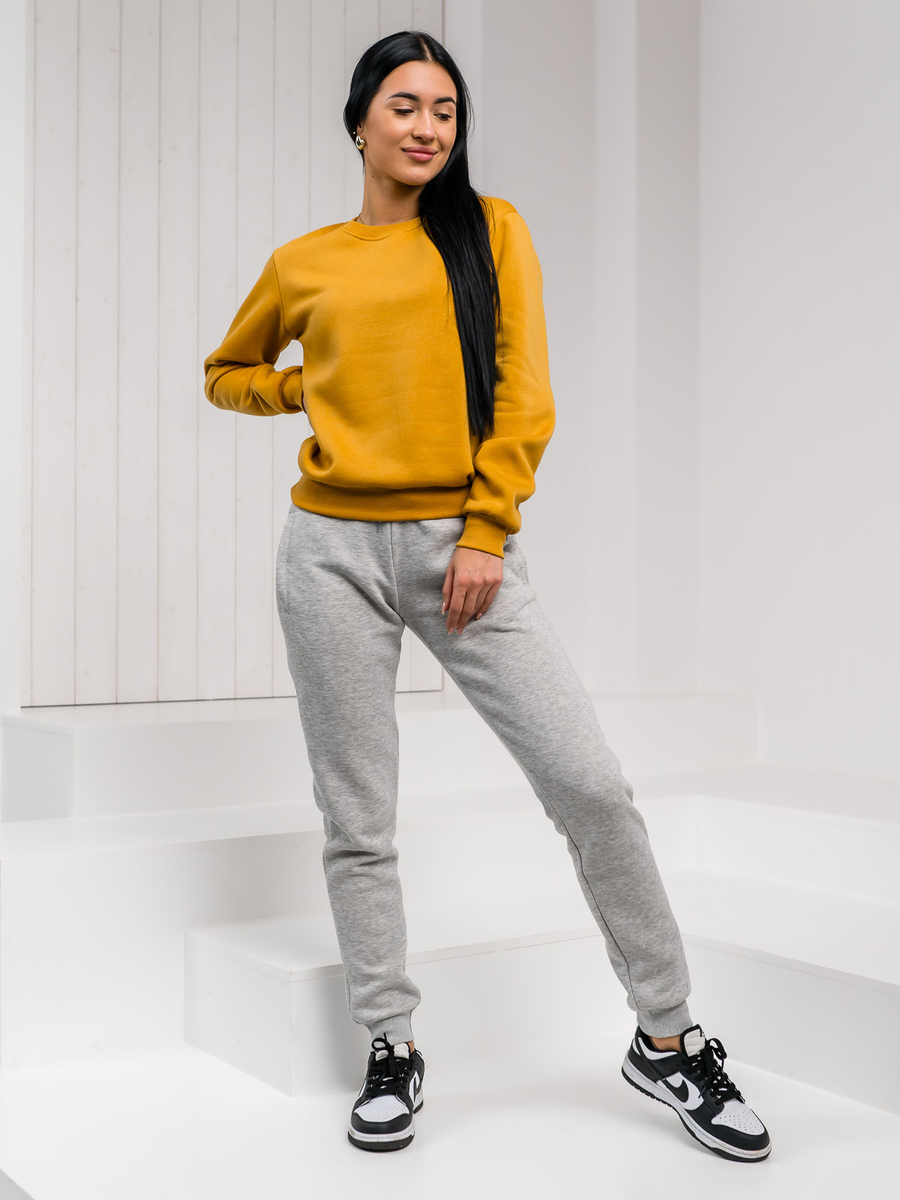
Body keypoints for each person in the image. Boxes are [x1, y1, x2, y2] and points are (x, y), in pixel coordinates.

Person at [203, 28, 770, 1164]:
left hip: (463, 551)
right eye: (404, 106)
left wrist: (485, 530)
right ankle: (391, 1045)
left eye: (445, 111)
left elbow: (525, 394)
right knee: (358, 819)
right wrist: (305, 388)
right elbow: (226, 373)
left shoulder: (491, 231)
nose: (427, 127)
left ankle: (667, 1037)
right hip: (328, 555)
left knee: (591, 787)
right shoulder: (306, 261)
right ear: (358, 122)